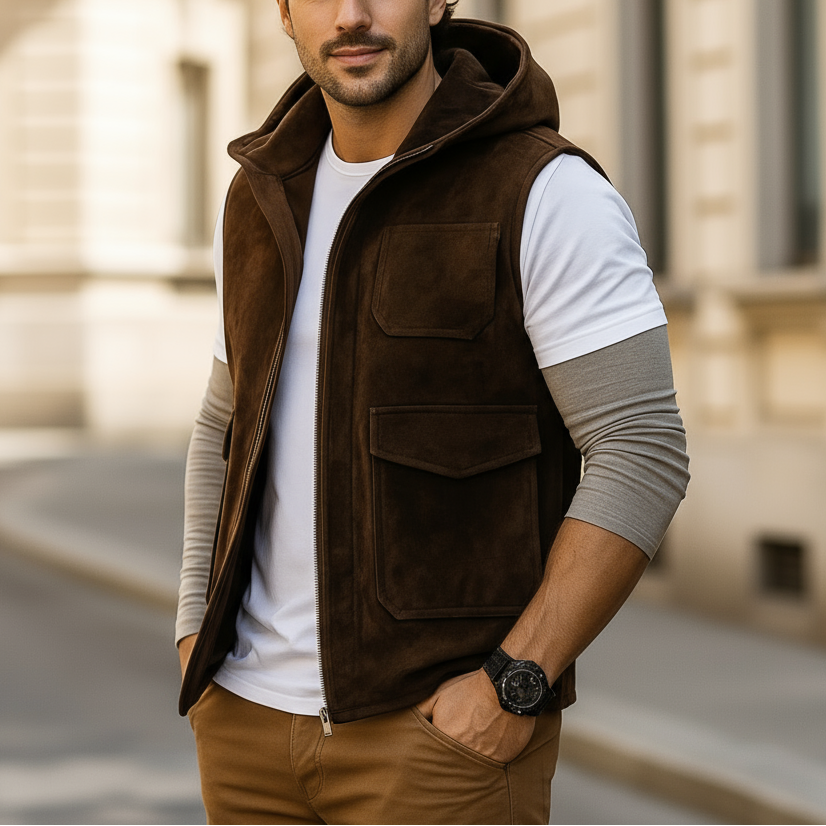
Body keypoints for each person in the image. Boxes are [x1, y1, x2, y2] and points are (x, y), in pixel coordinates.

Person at [175, 1, 690, 823]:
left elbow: (641, 447)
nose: (350, 15)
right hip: (243, 724)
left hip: (435, 741)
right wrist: (191, 635)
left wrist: (514, 685)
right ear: (281, 10)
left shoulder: (541, 189)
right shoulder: (260, 196)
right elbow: (224, 428)